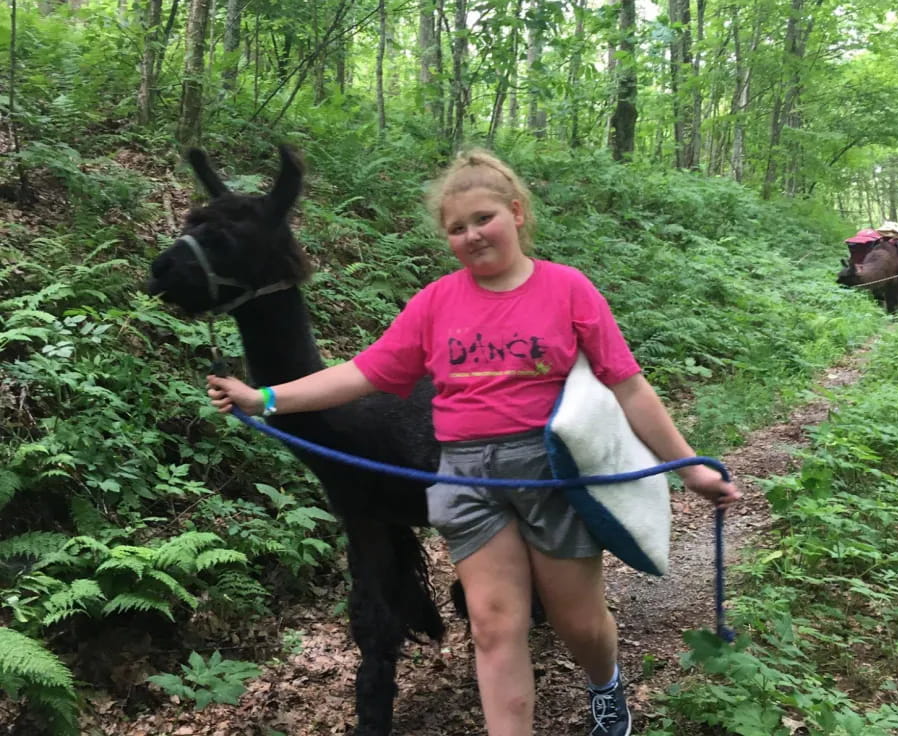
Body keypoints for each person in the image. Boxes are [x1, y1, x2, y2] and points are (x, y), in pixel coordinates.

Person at [206, 149, 741, 736]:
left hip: (550, 473)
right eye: (456, 228)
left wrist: (689, 468)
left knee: (576, 621)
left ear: (515, 213)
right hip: (465, 477)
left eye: (483, 218)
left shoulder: (568, 290)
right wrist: (267, 399)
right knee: (492, 625)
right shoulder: (436, 302)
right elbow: (363, 374)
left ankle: (604, 684)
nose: (471, 235)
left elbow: (628, 387)